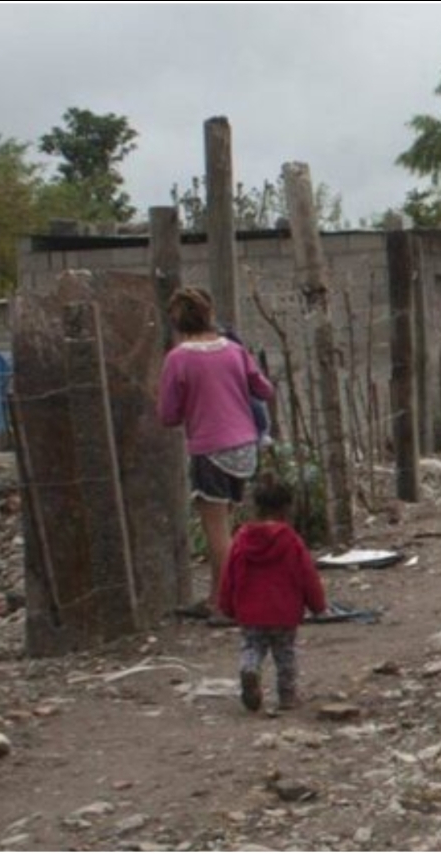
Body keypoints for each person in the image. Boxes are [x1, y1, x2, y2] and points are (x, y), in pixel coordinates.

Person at [159, 288, 275, 618]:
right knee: (228, 524)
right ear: (209, 315)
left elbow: (168, 415)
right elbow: (264, 389)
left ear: (176, 322)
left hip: (210, 450)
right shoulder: (234, 351)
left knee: (217, 534)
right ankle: (215, 598)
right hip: (245, 448)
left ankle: (229, 604)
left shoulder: (178, 359)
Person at [218, 477, 327, 712]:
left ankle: (249, 669)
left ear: (256, 507)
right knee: (285, 654)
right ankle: (287, 696)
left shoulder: (241, 539)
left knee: (252, 647)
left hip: (250, 611)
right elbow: (307, 575)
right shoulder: (291, 541)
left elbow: (229, 575)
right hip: (284, 611)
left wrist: (226, 606)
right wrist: (318, 605)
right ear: (287, 508)